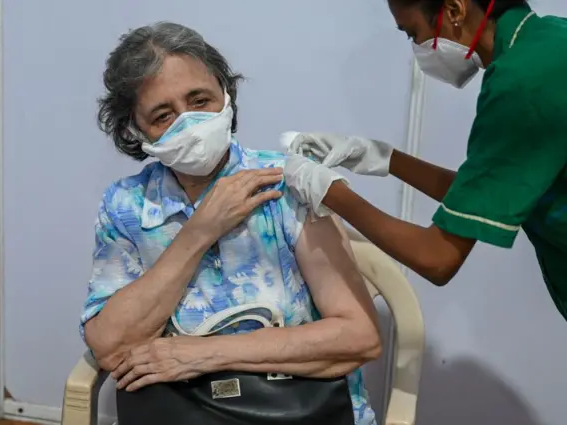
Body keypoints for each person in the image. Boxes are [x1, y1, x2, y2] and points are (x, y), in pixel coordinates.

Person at [80, 22, 381, 424]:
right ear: (136, 130)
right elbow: (110, 346)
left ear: (225, 92)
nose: (186, 122)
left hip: (301, 409)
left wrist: (200, 354)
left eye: (199, 99)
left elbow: (358, 336)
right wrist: (200, 231)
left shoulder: (288, 182)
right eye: (162, 115)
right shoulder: (127, 206)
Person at [282, 0, 567, 321]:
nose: (417, 49)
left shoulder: (522, 83)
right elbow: (485, 193)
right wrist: (382, 158)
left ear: (455, 10)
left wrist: (327, 190)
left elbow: (437, 258)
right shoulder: (551, 40)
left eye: (412, 33)